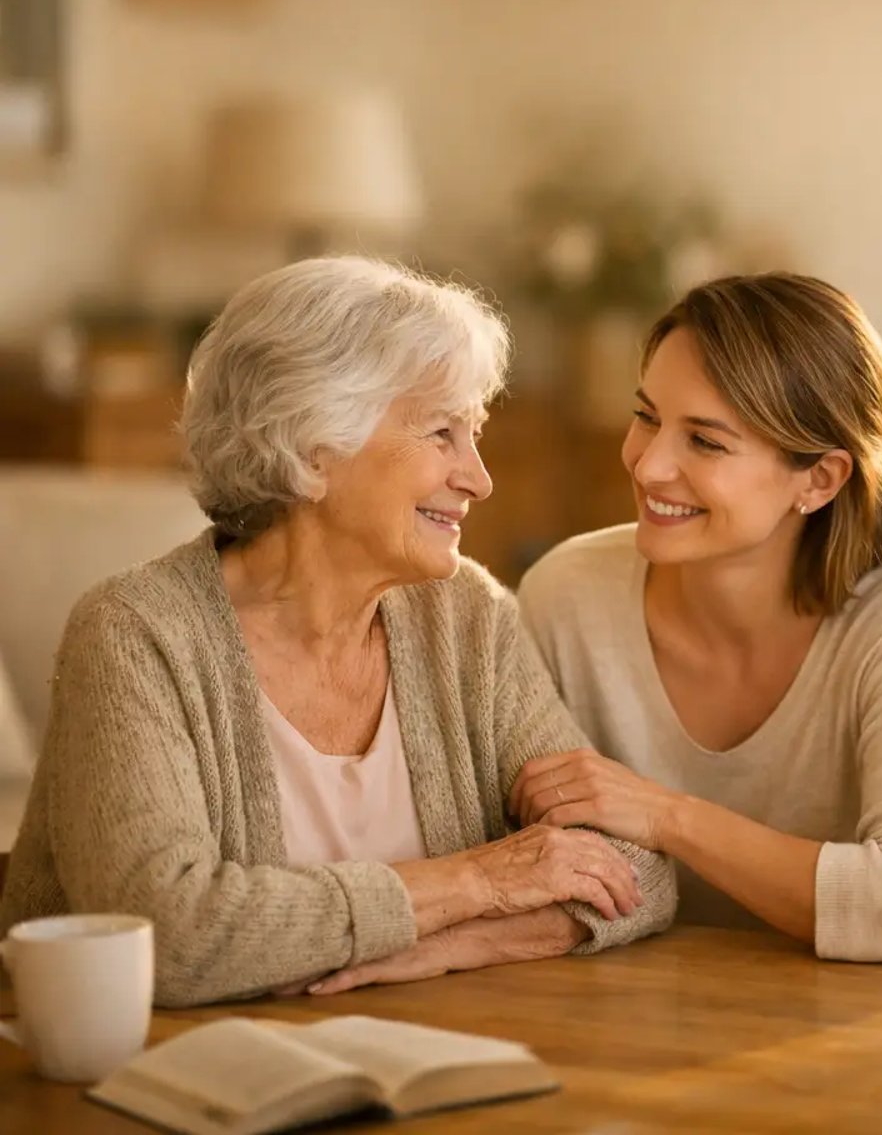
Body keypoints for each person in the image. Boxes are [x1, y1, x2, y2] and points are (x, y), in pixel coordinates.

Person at [0, 257, 675, 1007]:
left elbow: (636, 868)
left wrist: (459, 944)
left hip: (428, 1053)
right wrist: (476, 881)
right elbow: (169, 936)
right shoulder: (135, 636)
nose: (479, 478)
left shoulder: (465, 618)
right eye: (442, 433)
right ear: (312, 448)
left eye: (475, 434)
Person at [512, 272, 882, 964]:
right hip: (717, 1000)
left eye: (705, 442)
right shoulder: (566, 596)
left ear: (819, 479)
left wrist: (665, 816)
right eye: (647, 417)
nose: (648, 467)